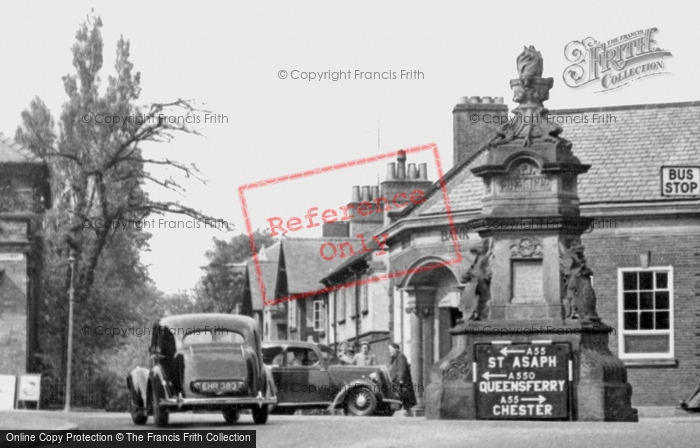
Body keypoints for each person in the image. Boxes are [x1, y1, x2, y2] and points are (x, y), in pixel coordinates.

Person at [388, 342, 417, 414]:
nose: (389, 352)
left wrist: (400, 382)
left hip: (400, 382)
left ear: (396, 350)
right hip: (397, 382)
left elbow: (402, 370)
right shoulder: (395, 358)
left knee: (401, 398)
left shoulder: (401, 357)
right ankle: (407, 413)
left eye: (390, 350)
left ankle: (406, 413)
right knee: (403, 400)